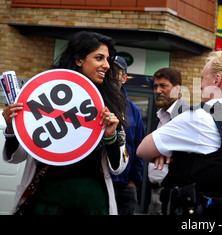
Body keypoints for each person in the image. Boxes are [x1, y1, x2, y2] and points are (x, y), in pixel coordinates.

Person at [2, 31, 128, 215]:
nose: (107, 65)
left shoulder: (109, 104)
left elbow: (118, 168)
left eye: (108, 59)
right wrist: (12, 128)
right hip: (47, 196)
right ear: (79, 60)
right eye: (99, 58)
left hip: (93, 201)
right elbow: (17, 157)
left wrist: (111, 137)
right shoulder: (43, 93)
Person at [137, 50, 222, 215]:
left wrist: (167, 152)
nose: (200, 85)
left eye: (202, 78)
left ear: (216, 80)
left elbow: (142, 149)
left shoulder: (199, 117)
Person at [148, 67, 188, 215]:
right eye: (155, 86)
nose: (158, 91)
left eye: (163, 86)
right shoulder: (160, 115)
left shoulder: (186, 116)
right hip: (156, 191)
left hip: (174, 193)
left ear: (177, 89)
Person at [111, 56, 145, 215]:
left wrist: (133, 182)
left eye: (116, 72)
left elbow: (139, 147)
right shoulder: (94, 103)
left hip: (125, 188)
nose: (111, 75)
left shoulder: (133, 110)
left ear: (124, 78)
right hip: (100, 185)